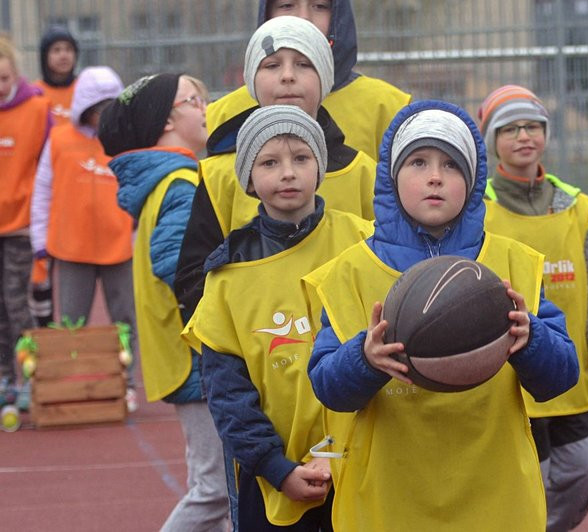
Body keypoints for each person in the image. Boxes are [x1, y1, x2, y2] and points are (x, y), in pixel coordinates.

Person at [303, 100, 580, 531]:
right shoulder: (350, 272)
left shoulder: (514, 264)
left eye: (451, 165)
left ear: (472, 181)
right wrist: (365, 358)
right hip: (389, 498)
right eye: (418, 162)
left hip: (495, 494)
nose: (435, 176)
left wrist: (533, 341)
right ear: (391, 177)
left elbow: (561, 378)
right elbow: (327, 389)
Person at [172, 18, 377, 527]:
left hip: (362, 445)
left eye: (303, 64)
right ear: (248, 177)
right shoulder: (229, 265)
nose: (287, 172)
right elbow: (226, 380)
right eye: (272, 65)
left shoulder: (362, 220)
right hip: (272, 448)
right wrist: (271, 462)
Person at [478, 85, 588, 532]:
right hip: (511, 375)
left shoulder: (574, 206)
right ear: (493, 140)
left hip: (570, 370)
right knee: (528, 481)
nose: (524, 136)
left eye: (533, 126)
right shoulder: (480, 209)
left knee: (584, 470)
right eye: (510, 129)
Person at [98, 73, 230, 531]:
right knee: (215, 489)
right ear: (167, 120)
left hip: (183, 356)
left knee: (214, 486)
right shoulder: (180, 183)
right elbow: (181, 269)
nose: (206, 108)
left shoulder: (169, 181)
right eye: (195, 100)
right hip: (195, 356)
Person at [29, 66, 139, 412]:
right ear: (84, 108)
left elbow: (140, 185)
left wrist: (138, 230)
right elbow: (42, 190)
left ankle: (125, 381)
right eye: (97, 108)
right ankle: (72, 380)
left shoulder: (127, 139)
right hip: (71, 247)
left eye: (110, 106)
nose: (103, 115)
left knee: (125, 319)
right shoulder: (59, 139)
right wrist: (39, 238)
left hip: (118, 246)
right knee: (72, 321)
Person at [257, 0, 411, 160]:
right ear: (267, 14)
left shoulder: (389, 108)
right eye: (287, 5)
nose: (304, 18)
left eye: (320, 6)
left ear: (339, 14)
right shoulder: (238, 109)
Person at [0, 35, 50, 400]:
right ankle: (5, 377)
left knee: (18, 303)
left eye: (4, 78)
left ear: (16, 74)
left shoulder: (37, 109)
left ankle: (32, 375)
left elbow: (49, 169)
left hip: (20, 225)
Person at [29, 26, 80, 327]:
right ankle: (45, 326)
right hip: (46, 187)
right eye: (56, 50)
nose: (63, 56)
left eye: (68, 49)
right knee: (41, 263)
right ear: (44, 56)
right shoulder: (36, 94)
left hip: (78, 184)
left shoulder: (83, 91)